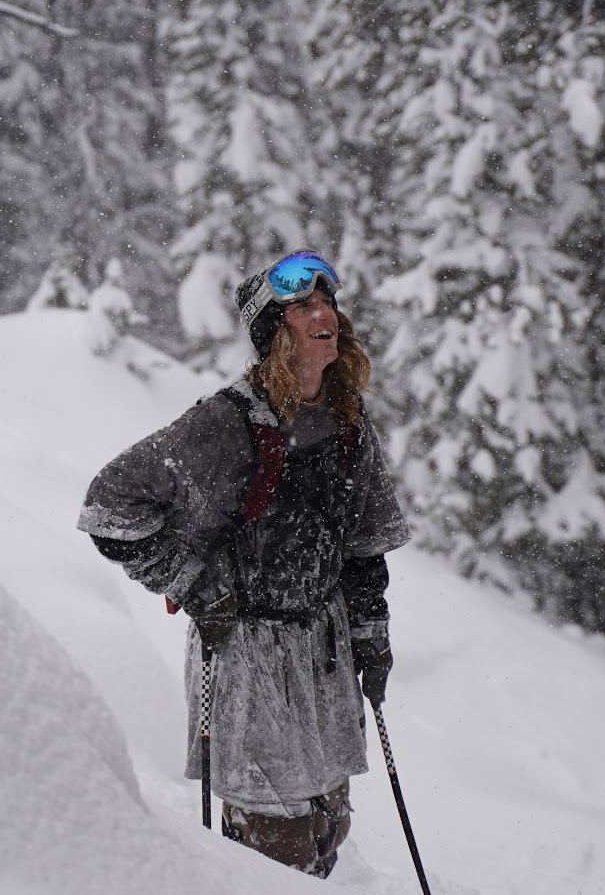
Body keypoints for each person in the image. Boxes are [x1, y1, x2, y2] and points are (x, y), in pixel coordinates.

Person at [77, 250, 411, 878]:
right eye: (303, 307)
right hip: (245, 655)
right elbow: (108, 505)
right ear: (274, 331)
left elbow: (364, 547)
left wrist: (371, 634)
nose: (325, 315)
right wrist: (192, 584)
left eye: (327, 303)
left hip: (324, 652)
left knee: (327, 830)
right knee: (275, 849)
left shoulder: (345, 418)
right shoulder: (225, 423)